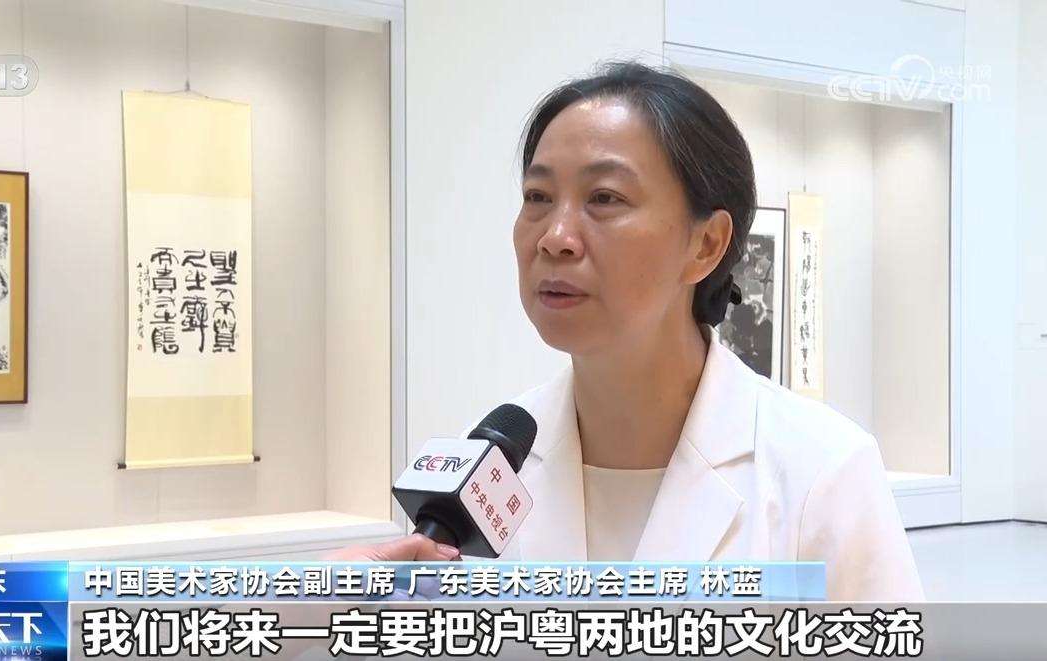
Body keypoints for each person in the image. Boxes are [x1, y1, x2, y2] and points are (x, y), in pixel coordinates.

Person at [328, 61, 924, 602]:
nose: (555, 236)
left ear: (706, 244)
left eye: (605, 198)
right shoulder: (488, 466)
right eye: (537, 196)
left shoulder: (824, 472)